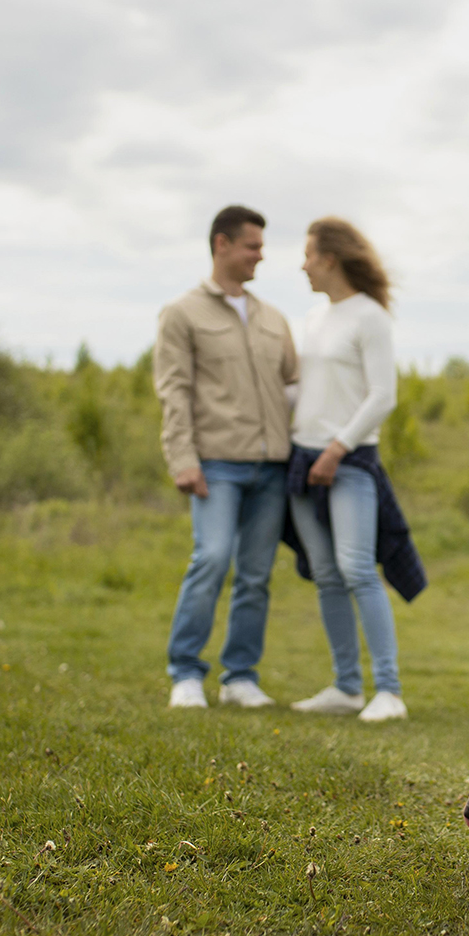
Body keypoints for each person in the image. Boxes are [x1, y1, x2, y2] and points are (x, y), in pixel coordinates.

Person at [153, 205, 299, 710]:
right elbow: (174, 391)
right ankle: (185, 673)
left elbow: (294, 385)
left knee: (256, 575)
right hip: (215, 463)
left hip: (272, 467)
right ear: (222, 245)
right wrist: (182, 458)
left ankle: (240, 675)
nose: (261, 255)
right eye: (252, 246)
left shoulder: (272, 317)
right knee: (211, 559)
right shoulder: (181, 314)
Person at [283, 217, 424, 721]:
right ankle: (345, 686)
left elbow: (382, 395)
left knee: (357, 568)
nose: (301, 265)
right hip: (301, 460)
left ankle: (388, 691)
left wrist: (337, 448)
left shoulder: (370, 318)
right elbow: (305, 390)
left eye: (307, 254)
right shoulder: (313, 317)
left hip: (349, 462)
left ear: (329, 257)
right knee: (325, 573)